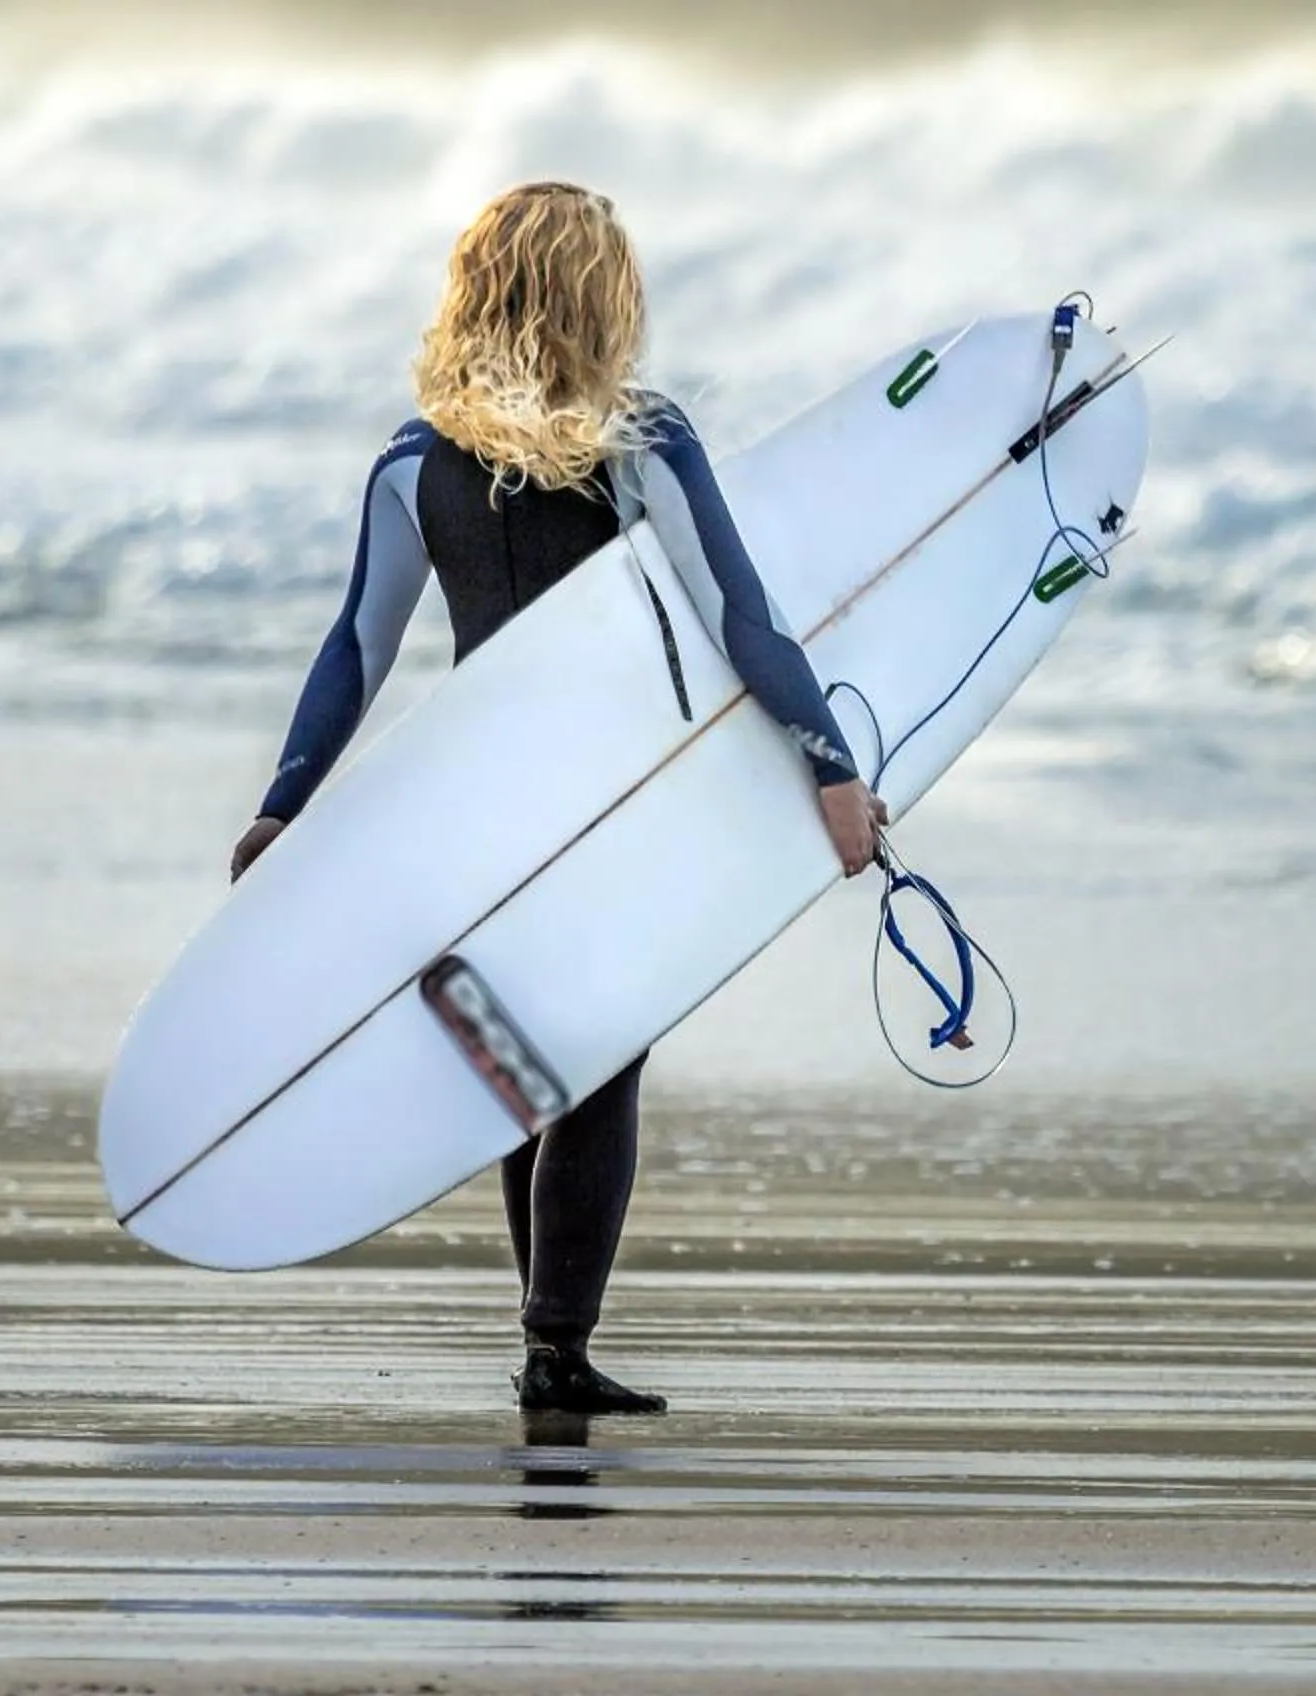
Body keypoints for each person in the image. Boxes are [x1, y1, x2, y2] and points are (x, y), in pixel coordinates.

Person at [224, 181, 887, 1416]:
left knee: (531, 1066)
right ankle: (555, 1349)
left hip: (473, 818)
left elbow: (356, 650)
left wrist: (287, 801)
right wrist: (832, 766)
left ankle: (550, 1342)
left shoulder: (415, 460)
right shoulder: (640, 442)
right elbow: (745, 616)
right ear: (600, 298)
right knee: (600, 1061)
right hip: (606, 809)